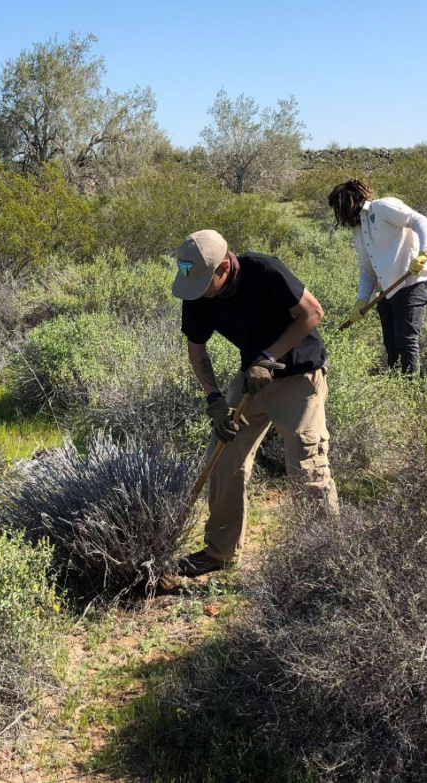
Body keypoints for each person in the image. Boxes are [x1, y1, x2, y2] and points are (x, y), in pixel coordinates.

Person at [172, 229, 340, 578]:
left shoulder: (264, 271)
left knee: (306, 463)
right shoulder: (196, 290)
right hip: (252, 379)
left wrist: (268, 357)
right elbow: (196, 348)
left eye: (206, 283)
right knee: (223, 455)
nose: (200, 293)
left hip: (299, 375)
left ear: (223, 267)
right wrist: (214, 399)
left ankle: (329, 557)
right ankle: (220, 552)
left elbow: (312, 313)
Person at [328, 179, 427, 375]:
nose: (339, 212)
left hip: (410, 282)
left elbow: (421, 221)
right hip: (386, 290)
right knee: (391, 343)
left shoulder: (382, 207)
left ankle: (412, 390)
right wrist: (361, 301)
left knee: (406, 340)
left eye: (340, 205)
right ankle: (396, 386)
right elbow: (367, 270)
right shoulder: (358, 229)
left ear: (351, 200)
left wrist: (424, 252)